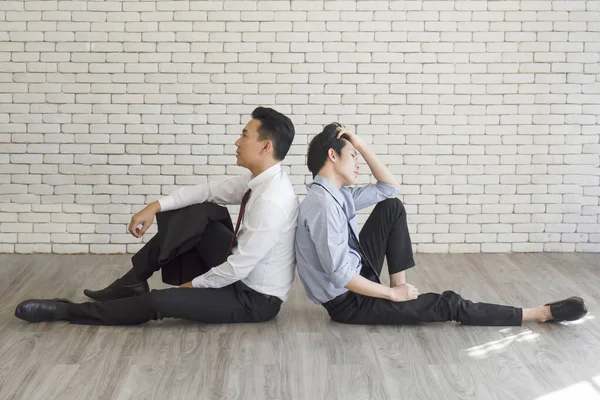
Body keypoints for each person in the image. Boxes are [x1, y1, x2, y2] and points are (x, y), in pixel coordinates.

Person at [15, 107, 299, 325]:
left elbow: (239, 268)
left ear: (265, 146)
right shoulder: (260, 180)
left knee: (157, 303)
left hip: (253, 298)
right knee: (199, 210)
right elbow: (207, 191)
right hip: (240, 273)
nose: (237, 141)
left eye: (245, 135)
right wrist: (153, 207)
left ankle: (68, 310)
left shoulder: (273, 200)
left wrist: (191, 288)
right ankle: (132, 280)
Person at [294, 122, 587, 326]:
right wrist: (391, 295)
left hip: (358, 273)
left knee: (391, 208)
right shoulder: (321, 206)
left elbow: (390, 189)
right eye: (353, 156)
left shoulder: (337, 195)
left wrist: (362, 145)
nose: (358, 163)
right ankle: (538, 313)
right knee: (449, 304)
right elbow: (341, 276)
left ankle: (401, 287)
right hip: (348, 301)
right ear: (332, 156)